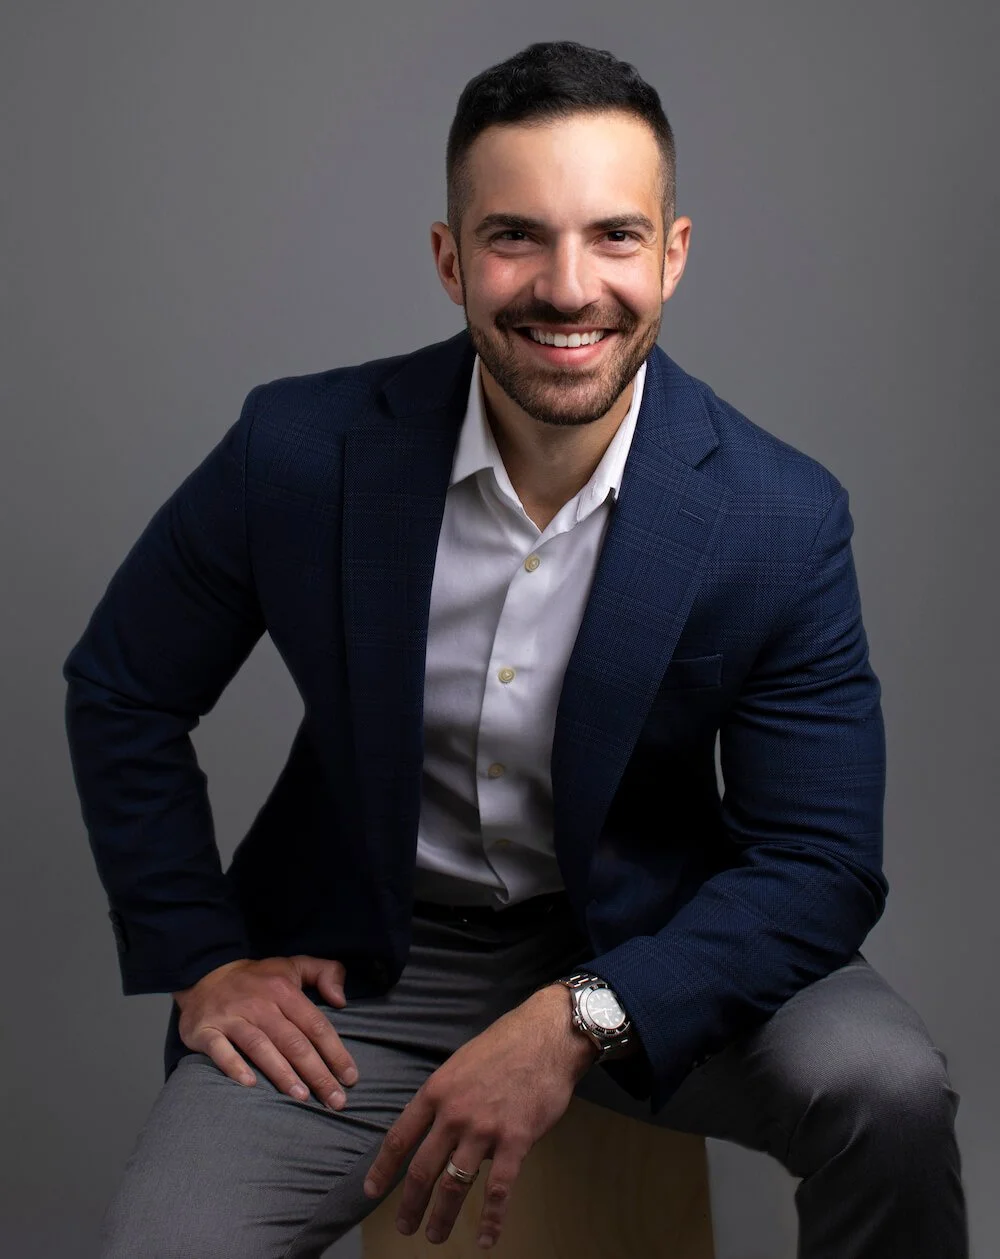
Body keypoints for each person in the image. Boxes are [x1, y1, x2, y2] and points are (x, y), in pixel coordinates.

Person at [63, 39, 967, 1259]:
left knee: (889, 1090)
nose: (566, 285)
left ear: (672, 255)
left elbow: (819, 861)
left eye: (612, 235)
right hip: (364, 976)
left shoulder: (777, 515)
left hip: (654, 943)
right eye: (514, 237)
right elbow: (124, 684)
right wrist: (200, 954)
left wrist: (579, 1016)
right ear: (450, 260)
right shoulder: (299, 450)